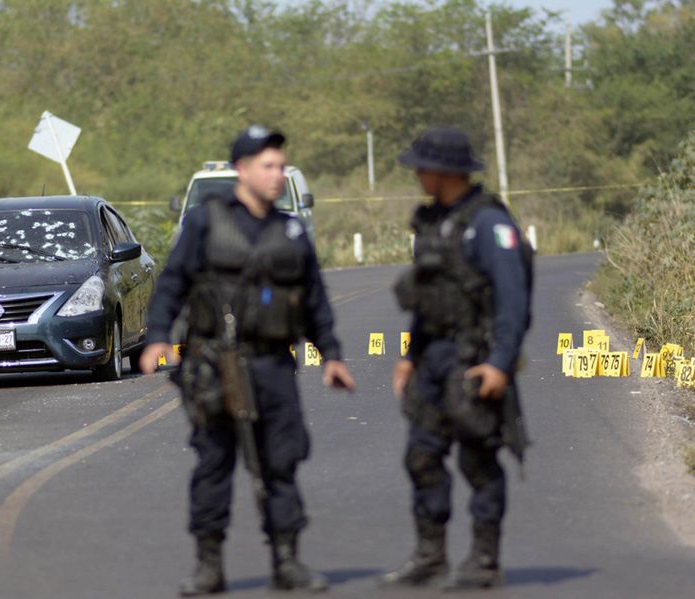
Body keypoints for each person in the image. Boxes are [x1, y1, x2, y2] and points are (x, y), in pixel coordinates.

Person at [139, 125, 355, 596]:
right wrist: (156, 338)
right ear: (242, 170)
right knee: (214, 463)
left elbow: (314, 299)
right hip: (213, 363)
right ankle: (208, 565)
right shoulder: (206, 222)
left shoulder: (290, 229)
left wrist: (332, 355)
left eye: (281, 166)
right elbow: (173, 282)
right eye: (268, 166)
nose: (277, 175)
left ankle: (288, 561)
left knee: (281, 460)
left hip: (274, 364)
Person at [382, 126, 532, 590]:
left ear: (444, 171)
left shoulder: (489, 224)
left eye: (422, 167)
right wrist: (409, 355)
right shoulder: (432, 221)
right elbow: (430, 299)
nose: (417, 176)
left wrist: (501, 363)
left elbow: (513, 301)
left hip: (475, 357)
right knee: (421, 456)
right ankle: (430, 555)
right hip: (432, 359)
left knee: (478, 458)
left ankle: (484, 560)